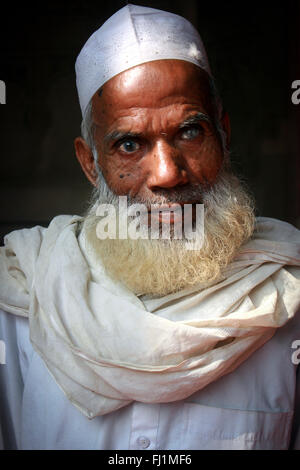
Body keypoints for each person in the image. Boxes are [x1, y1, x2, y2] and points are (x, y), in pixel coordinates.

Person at [0, 4, 300, 450]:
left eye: (189, 133)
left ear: (224, 133)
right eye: (128, 143)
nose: (166, 173)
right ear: (90, 162)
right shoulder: (27, 297)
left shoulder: (289, 298)